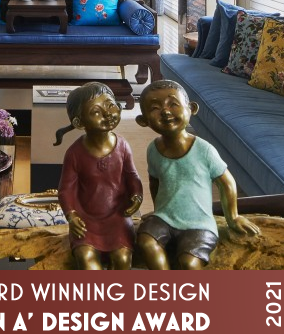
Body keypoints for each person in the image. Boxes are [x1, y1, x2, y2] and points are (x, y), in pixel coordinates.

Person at [135, 79, 260, 270]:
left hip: (199, 223)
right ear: (143, 120)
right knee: (146, 241)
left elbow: (226, 182)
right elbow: (155, 182)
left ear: (191, 108)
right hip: (164, 218)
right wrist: (158, 210)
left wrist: (233, 217)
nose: (165, 111)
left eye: (173, 104)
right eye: (155, 108)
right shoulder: (153, 149)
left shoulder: (204, 150)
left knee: (189, 263)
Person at [55, 82, 143, 270]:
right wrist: (71, 215)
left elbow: (132, 175)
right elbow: (65, 190)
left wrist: (136, 196)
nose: (107, 114)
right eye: (96, 112)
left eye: (111, 105)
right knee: (87, 259)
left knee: (122, 259)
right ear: (79, 123)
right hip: (86, 221)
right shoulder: (75, 153)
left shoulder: (123, 146)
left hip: (118, 217)